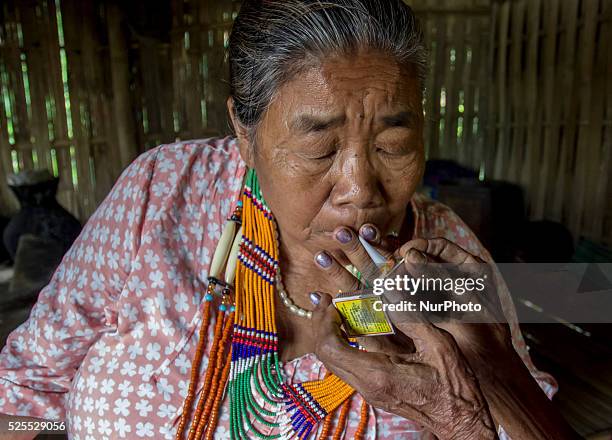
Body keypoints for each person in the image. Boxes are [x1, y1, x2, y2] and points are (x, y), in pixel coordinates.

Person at [0, 1, 579, 439]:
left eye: (394, 144)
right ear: (245, 135)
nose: (361, 191)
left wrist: (467, 416)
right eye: (320, 149)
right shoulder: (164, 194)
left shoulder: (445, 255)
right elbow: (23, 395)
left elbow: (521, 420)